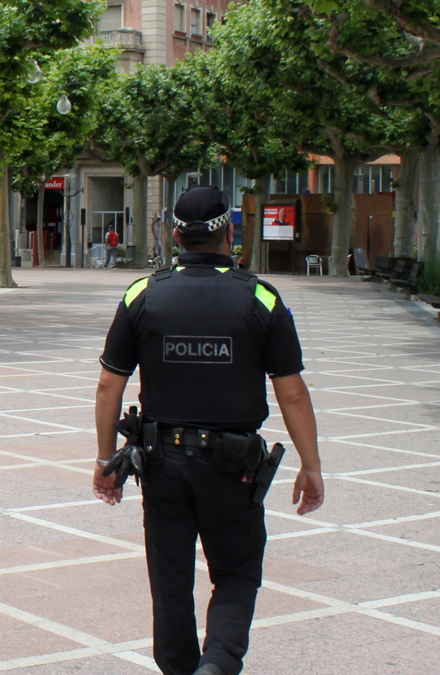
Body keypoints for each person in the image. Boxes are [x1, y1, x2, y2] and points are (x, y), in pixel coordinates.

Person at [92, 185, 324, 675]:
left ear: (176, 235)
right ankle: (218, 663)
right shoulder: (260, 297)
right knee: (238, 571)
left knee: (171, 580)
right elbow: (293, 392)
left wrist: (104, 459)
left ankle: (182, 669)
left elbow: (109, 384)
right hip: (233, 468)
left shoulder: (142, 293)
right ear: (230, 233)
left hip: (162, 465)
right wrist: (311, 464)